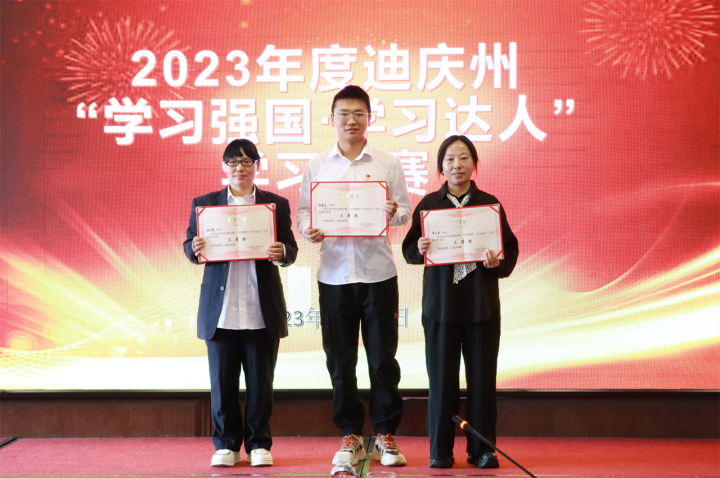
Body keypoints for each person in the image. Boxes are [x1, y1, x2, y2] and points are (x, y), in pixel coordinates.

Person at [297, 85, 412, 467]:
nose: (351, 120)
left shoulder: (386, 163)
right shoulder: (317, 166)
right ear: (332, 119)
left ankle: (384, 434)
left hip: (378, 273)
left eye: (358, 113)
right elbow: (303, 214)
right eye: (344, 114)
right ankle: (350, 434)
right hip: (333, 276)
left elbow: (404, 212)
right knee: (340, 360)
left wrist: (394, 211)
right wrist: (309, 229)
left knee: (382, 359)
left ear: (369, 118)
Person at [401, 135, 519, 469]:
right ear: (441, 166)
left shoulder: (489, 204)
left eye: (464, 158)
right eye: (450, 159)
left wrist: (497, 261)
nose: (457, 165)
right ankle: (440, 451)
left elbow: (509, 250)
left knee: (482, 381)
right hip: (440, 307)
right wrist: (419, 248)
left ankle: (482, 450)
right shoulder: (429, 205)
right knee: (441, 382)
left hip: (482, 307)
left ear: (474, 164)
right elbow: (409, 249)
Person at [183, 139, 298, 468]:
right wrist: (195, 248)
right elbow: (189, 245)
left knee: (261, 384)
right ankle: (226, 445)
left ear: (257, 167)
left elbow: (290, 247)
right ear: (224, 167)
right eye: (233, 162)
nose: (240, 168)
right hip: (220, 310)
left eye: (247, 162)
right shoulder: (206, 204)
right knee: (222, 384)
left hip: (259, 308)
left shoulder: (275, 205)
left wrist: (282, 252)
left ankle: (259, 443)